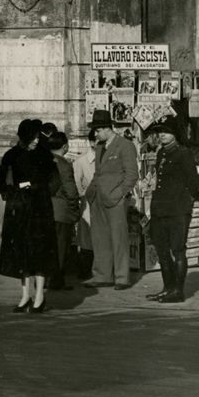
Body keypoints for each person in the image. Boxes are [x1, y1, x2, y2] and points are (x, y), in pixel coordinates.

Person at [0, 118, 60, 312]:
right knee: (22, 255)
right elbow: (2, 184)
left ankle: (39, 296)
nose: (35, 141)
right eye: (31, 138)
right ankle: (25, 296)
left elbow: (54, 181)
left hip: (40, 211)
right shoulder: (11, 156)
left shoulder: (44, 156)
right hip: (20, 211)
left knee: (40, 253)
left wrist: (39, 188)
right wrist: (14, 190)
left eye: (36, 137)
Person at [146, 117, 199, 304]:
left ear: (175, 134)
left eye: (166, 132)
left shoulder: (183, 153)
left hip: (177, 209)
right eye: (160, 132)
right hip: (160, 208)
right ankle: (167, 288)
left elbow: (193, 183)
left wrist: (185, 203)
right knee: (162, 250)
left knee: (177, 249)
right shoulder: (161, 153)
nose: (162, 135)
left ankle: (178, 290)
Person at [83, 109, 138, 289]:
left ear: (107, 128)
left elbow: (131, 175)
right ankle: (102, 275)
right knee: (99, 239)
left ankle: (122, 277)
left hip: (115, 199)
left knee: (119, 238)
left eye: (97, 131)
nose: (96, 135)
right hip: (97, 197)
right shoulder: (100, 146)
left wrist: (120, 193)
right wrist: (90, 194)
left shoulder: (125, 145)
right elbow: (98, 173)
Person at [48, 131, 80, 289]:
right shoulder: (64, 164)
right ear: (65, 146)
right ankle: (56, 280)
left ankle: (46, 279)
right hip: (60, 210)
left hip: (44, 209)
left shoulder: (42, 160)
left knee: (48, 246)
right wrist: (75, 208)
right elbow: (71, 191)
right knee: (61, 248)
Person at [72, 129, 98, 279]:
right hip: (88, 204)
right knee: (87, 239)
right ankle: (85, 270)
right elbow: (76, 184)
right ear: (91, 142)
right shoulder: (81, 162)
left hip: (104, 204)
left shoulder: (108, 159)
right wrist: (86, 194)